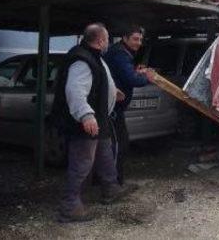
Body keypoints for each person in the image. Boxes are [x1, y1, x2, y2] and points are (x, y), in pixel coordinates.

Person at [53, 23, 130, 223]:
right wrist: (86, 115)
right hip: (85, 123)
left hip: (100, 121)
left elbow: (101, 79)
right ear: (101, 40)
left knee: (105, 155)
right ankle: (70, 206)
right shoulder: (82, 60)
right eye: (106, 39)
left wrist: (114, 92)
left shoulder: (94, 56)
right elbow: (75, 90)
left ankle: (110, 189)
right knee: (81, 164)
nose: (107, 43)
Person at [103, 24, 155, 185]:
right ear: (124, 38)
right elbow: (130, 79)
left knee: (111, 145)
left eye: (140, 39)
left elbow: (126, 73)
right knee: (118, 145)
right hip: (112, 109)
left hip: (114, 107)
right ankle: (114, 183)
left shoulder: (122, 52)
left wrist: (136, 71)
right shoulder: (120, 54)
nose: (138, 42)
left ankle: (106, 180)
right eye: (135, 39)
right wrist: (148, 78)